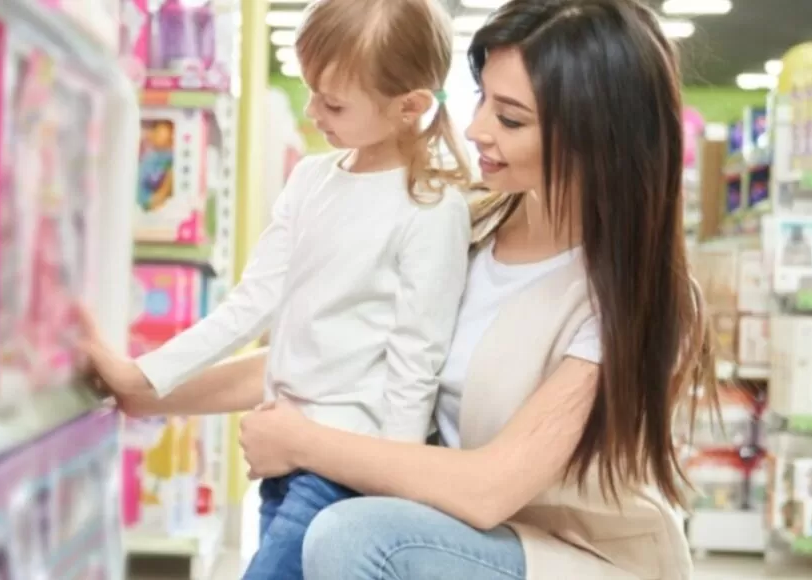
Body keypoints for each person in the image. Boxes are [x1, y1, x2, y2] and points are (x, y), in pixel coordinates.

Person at [84, 0, 720, 578]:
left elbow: (488, 489)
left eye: (510, 118)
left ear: (598, 140)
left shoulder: (630, 300)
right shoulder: (460, 224)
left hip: (573, 556)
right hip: (453, 528)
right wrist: (147, 392)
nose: (474, 131)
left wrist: (303, 442)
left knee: (350, 535)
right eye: (481, 101)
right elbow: (337, 354)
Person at [80, 0, 474, 578]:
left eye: (333, 102)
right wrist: (145, 377)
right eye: (310, 89)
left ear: (409, 107)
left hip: (346, 472)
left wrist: (393, 493)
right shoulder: (312, 179)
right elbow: (249, 304)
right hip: (282, 462)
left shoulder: (431, 208)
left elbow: (416, 362)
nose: (313, 111)